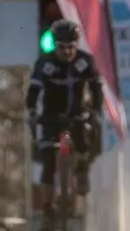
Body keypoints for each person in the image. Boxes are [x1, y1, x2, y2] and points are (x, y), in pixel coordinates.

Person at [25, 20, 102, 228]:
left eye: (71, 48)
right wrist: (32, 111)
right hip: (52, 115)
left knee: (85, 138)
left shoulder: (85, 62)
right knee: (48, 159)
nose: (67, 52)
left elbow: (96, 89)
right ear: (55, 46)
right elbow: (33, 91)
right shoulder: (45, 64)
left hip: (77, 113)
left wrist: (95, 111)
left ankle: (81, 168)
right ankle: (48, 208)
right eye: (62, 48)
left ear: (76, 46)